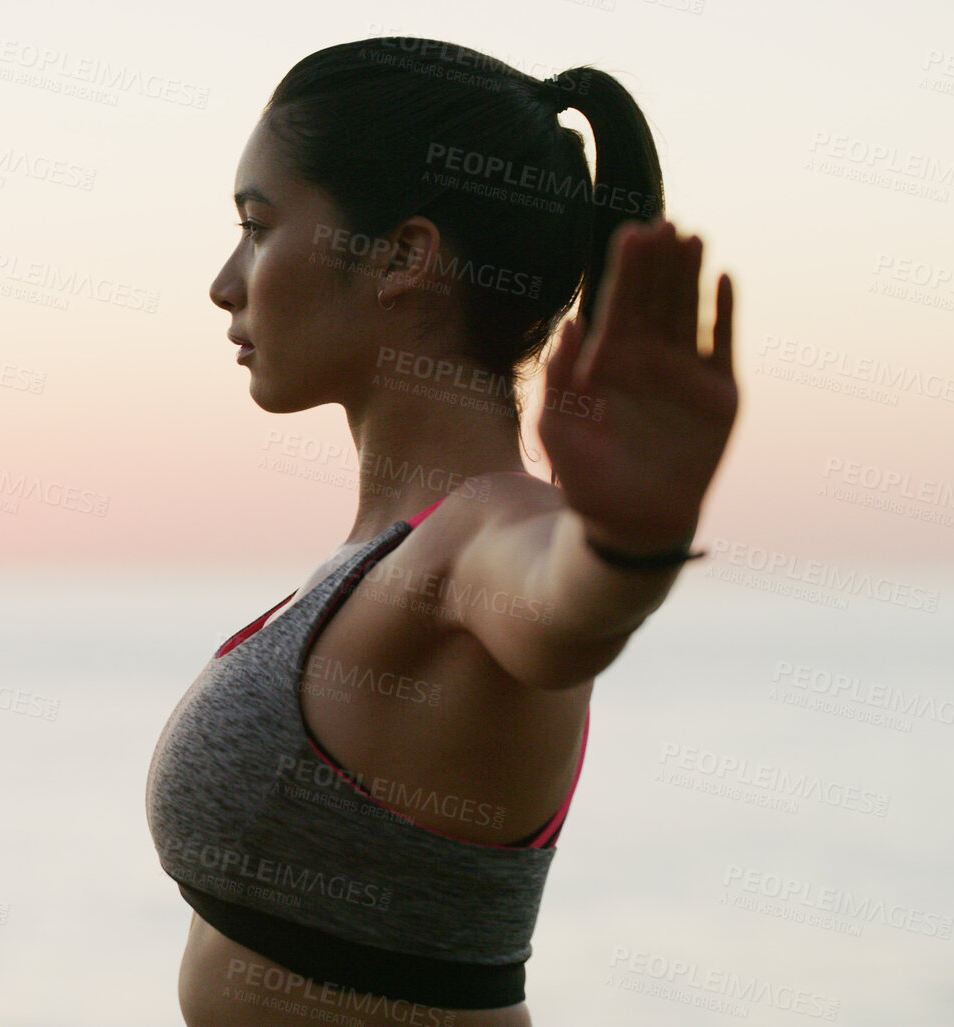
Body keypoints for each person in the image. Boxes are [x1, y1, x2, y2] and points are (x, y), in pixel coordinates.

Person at [144, 37, 738, 1027]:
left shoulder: (489, 527)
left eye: (258, 226)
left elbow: (564, 605)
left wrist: (630, 541)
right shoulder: (379, 551)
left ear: (404, 256)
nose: (225, 281)